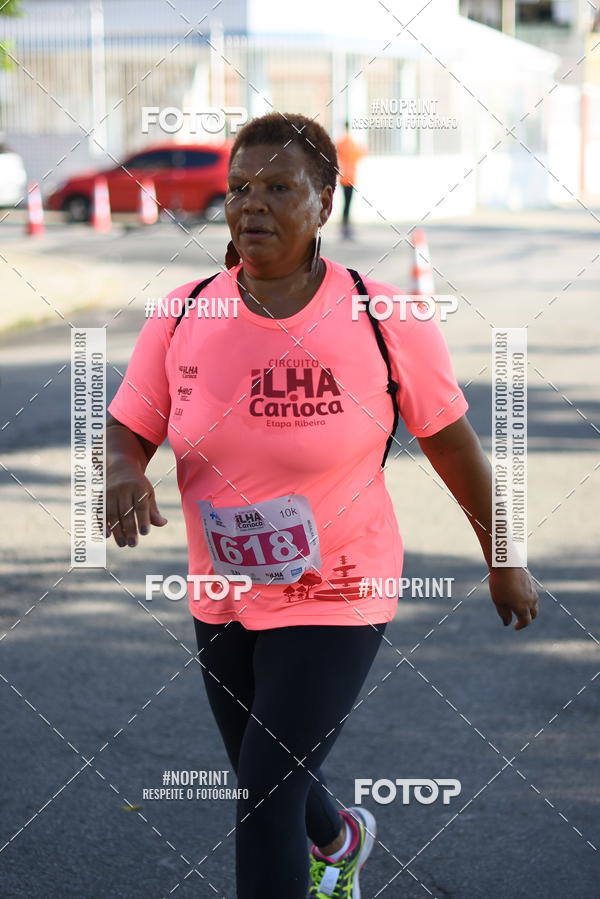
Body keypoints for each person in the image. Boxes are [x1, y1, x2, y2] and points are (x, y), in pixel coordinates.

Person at [106, 111, 539, 899]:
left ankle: (325, 850)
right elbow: (128, 426)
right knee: (273, 774)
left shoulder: (382, 315)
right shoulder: (183, 311)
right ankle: (343, 838)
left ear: (323, 205)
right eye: (240, 187)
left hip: (341, 584)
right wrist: (119, 470)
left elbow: (454, 447)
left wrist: (503, 558)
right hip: (224, 589)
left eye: (279, 186)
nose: (253, 204)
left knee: (264, 791)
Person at [335, 120, 367, 239]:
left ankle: (344, 226)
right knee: (348, 203)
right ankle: (346, 227)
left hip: (343, 177)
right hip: (351, 178)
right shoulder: (353, 144)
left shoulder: (340, 143)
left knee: (345, 203)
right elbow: (361, 154)